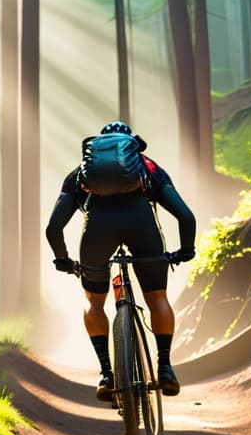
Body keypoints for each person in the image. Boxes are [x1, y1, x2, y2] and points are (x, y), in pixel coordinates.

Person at [45, 121, 196, 402]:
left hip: (97, 233)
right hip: (142, 226)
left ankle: (106, 373)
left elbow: (53, 228)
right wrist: (185, 250)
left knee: (94, 302)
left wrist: (63, 260)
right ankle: (165, 366)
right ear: (131, 145)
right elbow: (186, 217)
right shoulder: (147, 167)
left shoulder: (81, 173)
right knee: (158, 299)